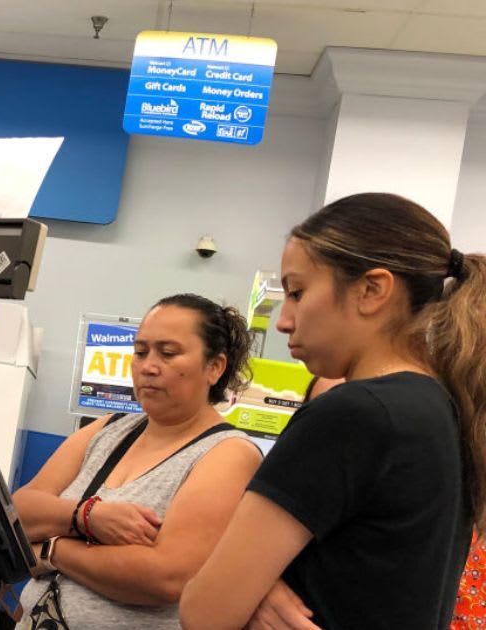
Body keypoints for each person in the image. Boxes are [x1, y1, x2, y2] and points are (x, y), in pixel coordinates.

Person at [180, 193, 482, 629]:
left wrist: (250, 589)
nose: (284, 320)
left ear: (371, 290)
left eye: (298, 293)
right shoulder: (444, 408)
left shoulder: (356, 414)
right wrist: (260, 586)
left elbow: (204, 613)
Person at [12, 294, 263, 629]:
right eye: (141, 352)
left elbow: (165, 576)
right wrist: (88, 517)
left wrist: (50, 551)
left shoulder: (227, 453)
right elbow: (18, 511)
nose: (149, 366)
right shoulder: (109, 428)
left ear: (214, 367)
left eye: (169, 353)